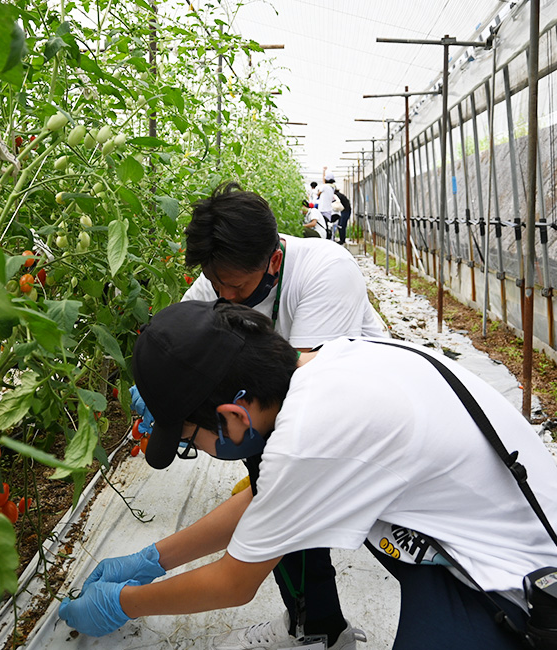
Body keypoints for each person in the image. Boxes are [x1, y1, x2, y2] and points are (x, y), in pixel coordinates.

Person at [58, 300, 557, 650]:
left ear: (231, 417)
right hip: (481, 546)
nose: (193, 447)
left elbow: (232, 583)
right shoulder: (328, 364)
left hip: (527, 601)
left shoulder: (309, 439)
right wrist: (150, 561)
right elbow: (266, 503)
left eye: (190, 441)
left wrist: (119, 603)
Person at [128, 181, 385, 650]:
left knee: (289, 496)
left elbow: (300, 389)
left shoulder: (327, 270)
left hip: (356, 408)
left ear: (273, 260)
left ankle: (321, 630)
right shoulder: (222, 277)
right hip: (281, 400)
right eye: (217, 283)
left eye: (238, 287)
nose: (225, 294)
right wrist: (156, 387)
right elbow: (183, 333)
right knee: (271, 484)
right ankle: (310, 622)